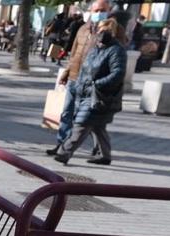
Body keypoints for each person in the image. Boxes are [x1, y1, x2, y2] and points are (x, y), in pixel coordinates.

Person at [53, 18, 126, 165]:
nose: (101, 33)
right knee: (98, 126)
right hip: (85, 91)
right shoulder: (96, 48)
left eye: (105, 30)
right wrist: (79, 83)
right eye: (100, 30)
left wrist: (97, 84)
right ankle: (104, 155)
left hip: (100, 95)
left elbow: (118, 73)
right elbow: (83, 67)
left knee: (82, 123)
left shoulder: (116, 51)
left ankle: (64, 152)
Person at [47, 0, 109, 158]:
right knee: (66, 113)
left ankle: (97, 149)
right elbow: (74, 53)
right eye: (96, 10)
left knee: (88, 119)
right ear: (90, 11)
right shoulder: (83, 28)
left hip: (91, 82)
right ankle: (61, 143)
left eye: (102, 10)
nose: (98, 13)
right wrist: (66, 72)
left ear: (108, 10)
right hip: (75, 76)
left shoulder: (110, 30)